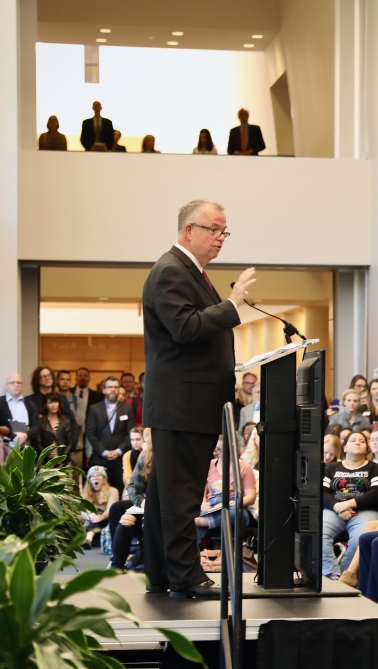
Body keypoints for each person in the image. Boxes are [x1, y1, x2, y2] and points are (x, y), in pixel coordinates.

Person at [141, 198, 256, 600]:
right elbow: (185, 329)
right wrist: (232, 305)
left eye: (225, 231)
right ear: (189, 230)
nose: (221, 238)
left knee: (163, 494)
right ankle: (185, 574)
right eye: (215, 229)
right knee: (181, 495)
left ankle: (158, 571)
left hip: (188, 403)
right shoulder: (172, 270)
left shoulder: (192, 271)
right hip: (183, 405)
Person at [322, 430, 378, 579]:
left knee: (360, 538)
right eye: (353, 440)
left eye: (362, 441)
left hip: (366, 511)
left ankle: (347, 576)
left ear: (367, 448)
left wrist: (349, 503)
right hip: (335, 510)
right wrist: (337, 507)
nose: (358, 442)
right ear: (344, 448)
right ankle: (331, 574)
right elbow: (321, 492)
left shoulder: (375, 468)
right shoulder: (331, 468)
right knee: (320, 532)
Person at [195, 436, 257, 545]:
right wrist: (203, 503)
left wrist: (237, 502)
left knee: (237, 514)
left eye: (220, 450)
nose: (217, 453)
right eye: (216, 450)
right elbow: (202, 492)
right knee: (193, 510)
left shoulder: (244, 467)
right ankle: (193, 550)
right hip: (212, 505)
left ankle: (199, 522)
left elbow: (251, 497)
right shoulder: (209, 466)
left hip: (232, 503)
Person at [109, 428, 153, 571]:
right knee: (120, 513)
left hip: (164, 505)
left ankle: (144, 557)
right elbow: (132, 484)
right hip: (145, 502)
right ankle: (116, 565)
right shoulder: (145, 457)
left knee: (133, 518)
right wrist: (140, 501)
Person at [80, 465, 120, 549]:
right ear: (89, 480)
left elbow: (111, 510)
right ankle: (89, 538)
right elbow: (83, 511)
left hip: (105, 522)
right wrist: (90, 516)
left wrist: (101, 516)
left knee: (98, 511)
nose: (96, 478)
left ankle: (88, 538)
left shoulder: (113, 491)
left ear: (104, 478)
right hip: (90, 522)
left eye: (98, 475)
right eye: (93, 476)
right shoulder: (84, 493)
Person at [32, 391, 75, 459]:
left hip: (63, 462)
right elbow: (38, 443)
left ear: (59, 404)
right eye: (50, 402)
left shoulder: (66, 422)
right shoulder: (41, 422)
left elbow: (69, 443)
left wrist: (61, 458)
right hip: (46, 462)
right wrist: (49, 457)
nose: (53, 405)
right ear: (46, 405)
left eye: (55, 402)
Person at [1, 373, 34, 446]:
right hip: (4, 447)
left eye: (19, 382)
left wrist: (26, 435)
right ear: (6, 386)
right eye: (12, 382)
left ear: (23, 386)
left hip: (26, 447)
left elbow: (37, 426)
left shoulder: (30, 404)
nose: (16, 385)